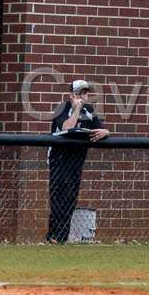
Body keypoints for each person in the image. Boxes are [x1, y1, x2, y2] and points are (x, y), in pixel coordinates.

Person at [47, 80, 109, 243]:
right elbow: (67, 127)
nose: (84, 96)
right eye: (80, 93)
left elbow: (100, 128)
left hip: (77, 159)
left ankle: (61, 236)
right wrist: (77, 109)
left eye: (86, 93)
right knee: (58, 196)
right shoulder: (62, 108)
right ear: (71, 95)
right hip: (59, 159)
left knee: (71, 197)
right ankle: (54, 236)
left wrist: (105, 131)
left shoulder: (89, 110)